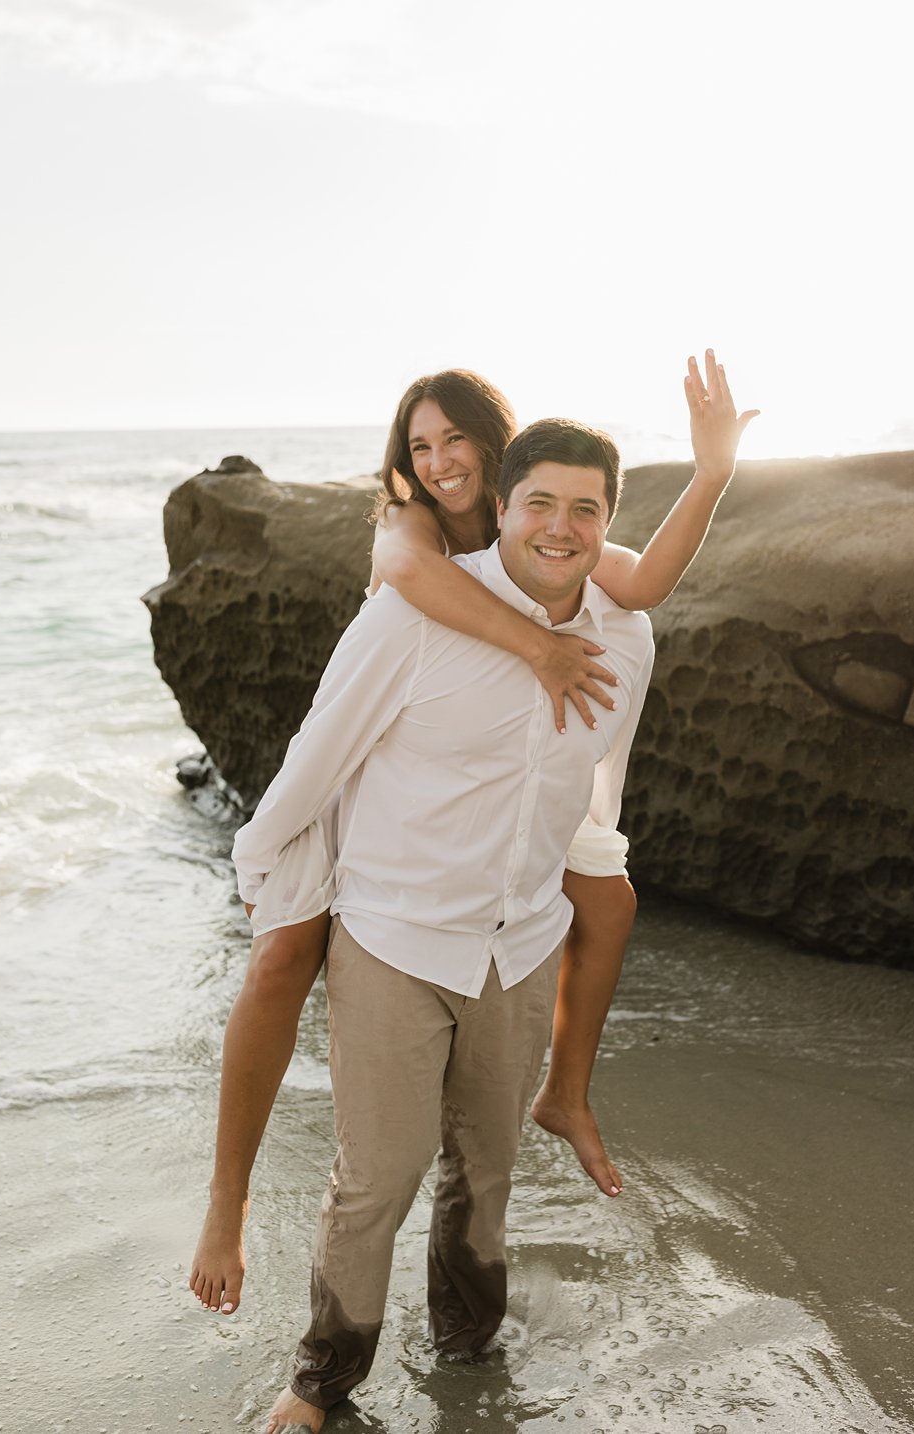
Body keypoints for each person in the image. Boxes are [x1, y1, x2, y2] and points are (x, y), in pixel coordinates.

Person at [189, 353, 758, 1324]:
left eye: (456, 438)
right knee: (280, 958)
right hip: (377, 785)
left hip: (503, 811)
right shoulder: (411, 533)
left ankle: (565, 1094)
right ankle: (226, 1204)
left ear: (495, 452)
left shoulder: (559, 533)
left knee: (608, 899)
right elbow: (411, 586)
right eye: (420, 446)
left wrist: (711, 473)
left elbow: (643, 584)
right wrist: (539, 647)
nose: (439, 461)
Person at [245, 414, 654, 1431]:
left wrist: (593, 878)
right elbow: (319, 752)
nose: (560, 527)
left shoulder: (627, 637)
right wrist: (262, 868)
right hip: (395, 936)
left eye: (586, 509)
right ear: (501, 508)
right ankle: (323, 1379)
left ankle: (468, 1349)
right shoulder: (409, 619)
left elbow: (595, 780)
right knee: (377, 1177)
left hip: (519, 945)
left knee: (485, 1170)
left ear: (608, 521)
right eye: (540, 503)